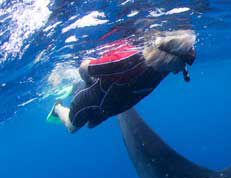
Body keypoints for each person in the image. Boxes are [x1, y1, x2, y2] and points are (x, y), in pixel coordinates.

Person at [49, 29, 197, 133]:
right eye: (182, 63)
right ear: (169, 58)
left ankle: (76, 87)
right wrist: (89, 84)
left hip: (112, 105)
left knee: (90, 125)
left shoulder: (165, 67)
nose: (183, 68)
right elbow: (83, 68)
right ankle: (57, 107)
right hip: (93, 98)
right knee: (72, 127)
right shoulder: (127, 62)